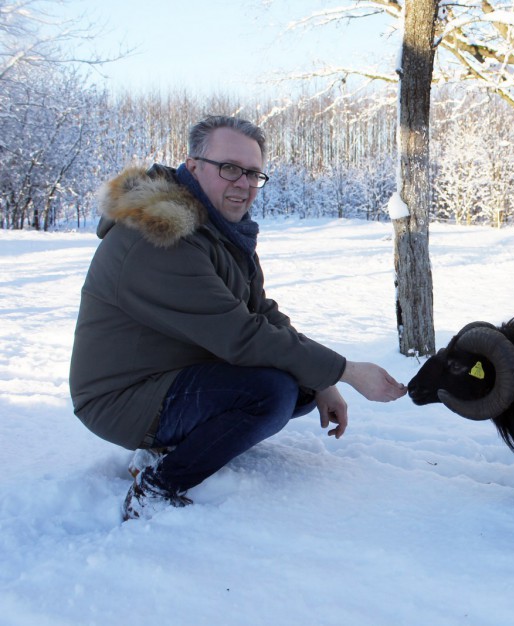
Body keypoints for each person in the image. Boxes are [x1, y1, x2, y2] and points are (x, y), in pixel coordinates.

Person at [69, 115, 406, 521]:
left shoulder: (218, 230)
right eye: (229, 168)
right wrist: (346, 370)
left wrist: (321, 379)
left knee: (297, 384)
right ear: (192, 166)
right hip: (122, 396)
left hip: (172, 369)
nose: (243, 184)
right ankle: (157, 487)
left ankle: (170, 444)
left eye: (252, 173)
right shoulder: (159, 237)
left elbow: (259, 311)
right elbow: (242, 335)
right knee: (271, 392)